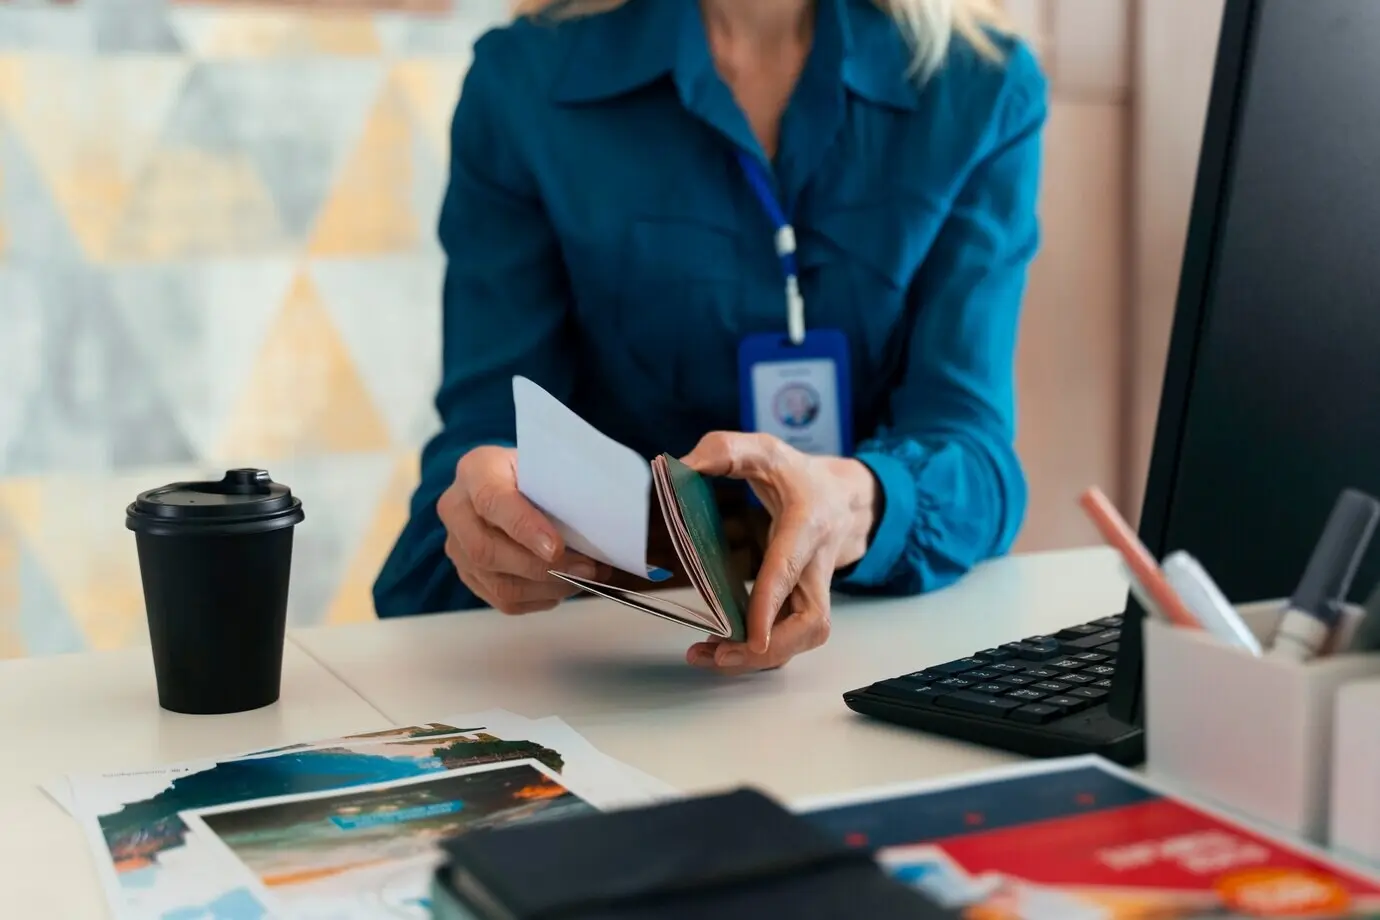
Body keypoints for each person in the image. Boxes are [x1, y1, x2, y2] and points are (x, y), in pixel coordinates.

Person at [374, 0, 1047, 676]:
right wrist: (493, 506)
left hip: (877, 649)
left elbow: (970, 446)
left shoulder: (982, 87)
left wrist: (847, 504)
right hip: (597, 654)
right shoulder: (525, 79)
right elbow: (491, 421)